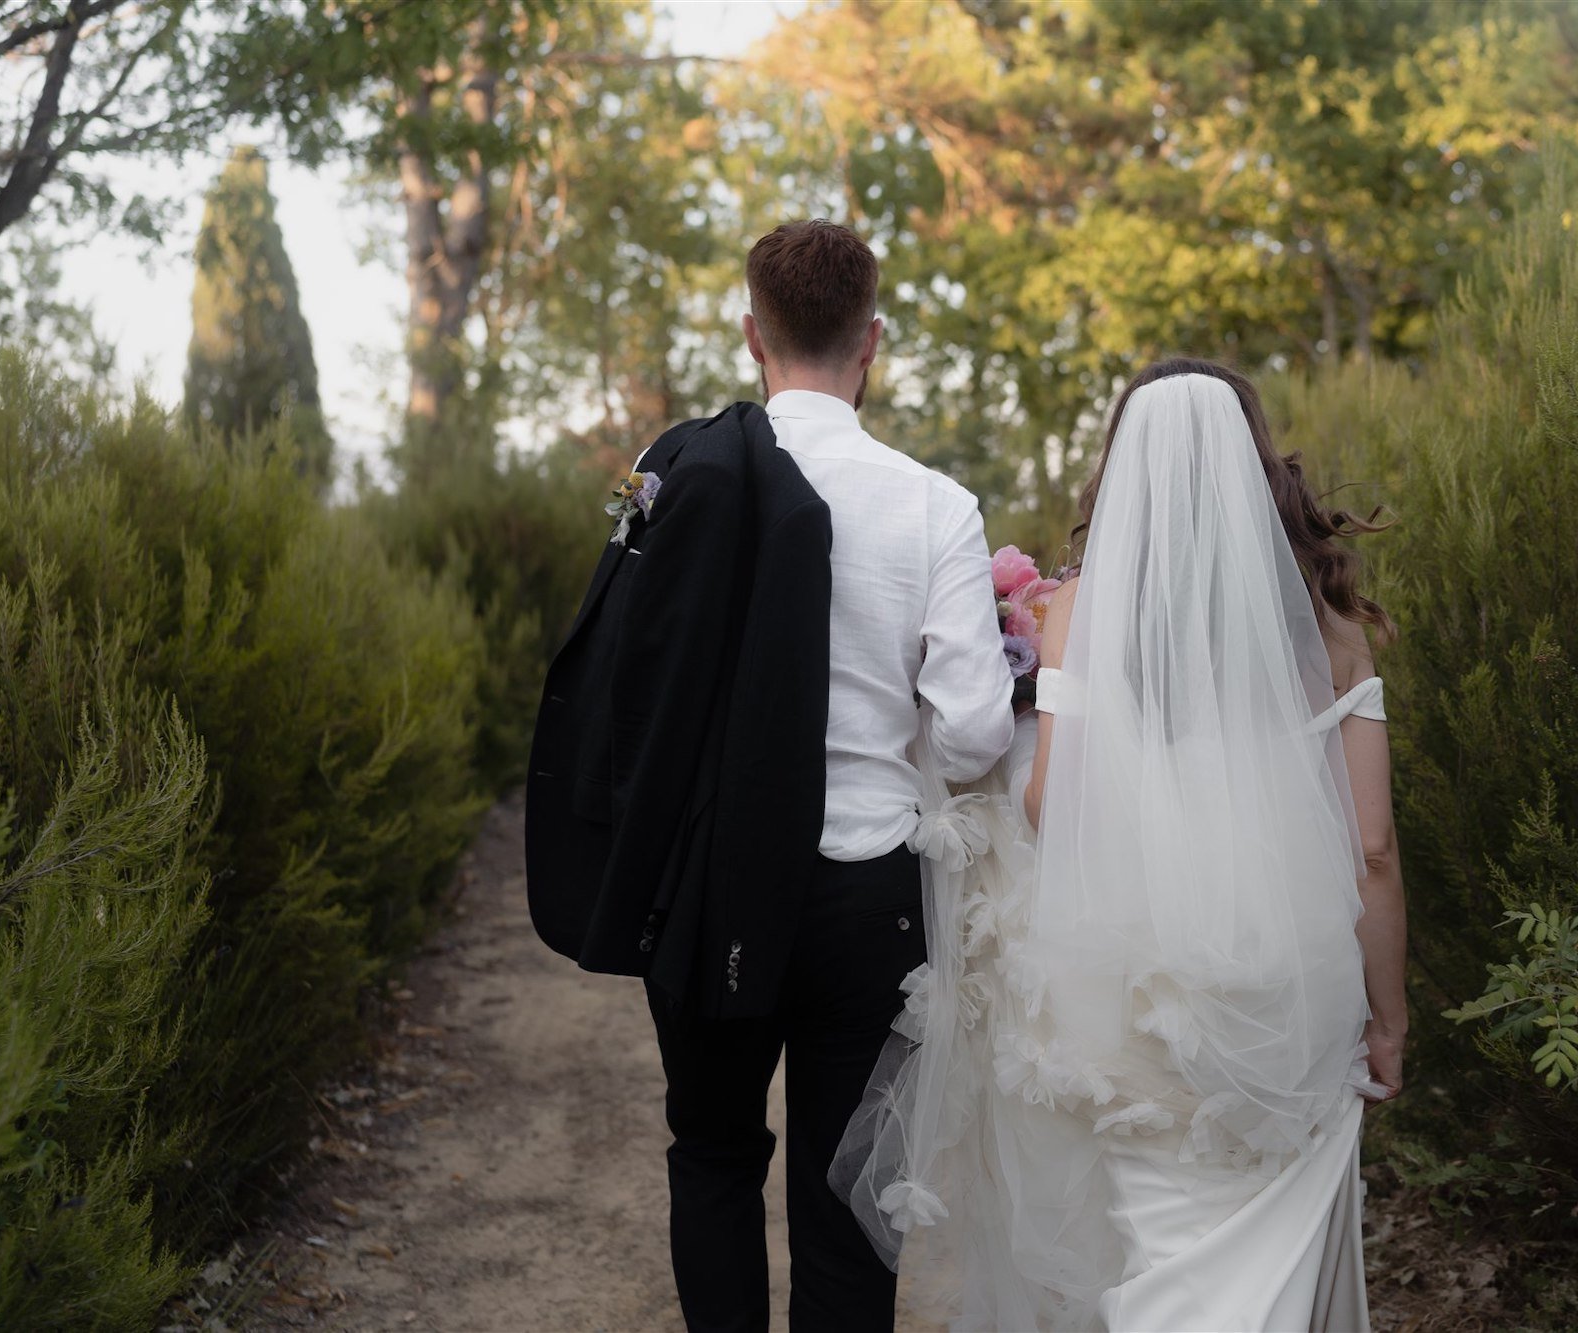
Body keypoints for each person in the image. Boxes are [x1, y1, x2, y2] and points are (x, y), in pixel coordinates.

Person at [834, 358, 1409, 1331]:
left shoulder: (1075, 617)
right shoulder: (1332, 628)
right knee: (1269, 1227)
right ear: (1251, 462)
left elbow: (1053, 804)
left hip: (1128, 975)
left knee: (1149, 1231)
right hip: (1288, 977)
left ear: (1122, 470)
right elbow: (1373, 847)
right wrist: (1387, 1016)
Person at [526, 219, 1013, 1332]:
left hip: (707, 886)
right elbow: (976, 738)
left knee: (710, 1155)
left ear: (752, 333)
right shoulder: (934, 505)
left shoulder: (677, 477)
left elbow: (623, 679)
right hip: (866, 895)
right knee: (848, 1199)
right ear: (871, 341)